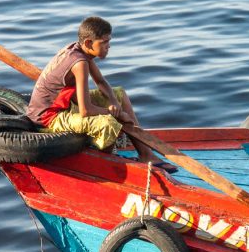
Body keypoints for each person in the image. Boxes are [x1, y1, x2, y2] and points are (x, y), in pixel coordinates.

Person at [26, 16, 178, 173]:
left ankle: (146, 154)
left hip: (65, 105)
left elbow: (101, 82)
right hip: (48, 118)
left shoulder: (81, 51)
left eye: (109, 41)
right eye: (104, 42)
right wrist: (117, 114)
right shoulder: (79, 63)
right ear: (88, 43)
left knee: (119, 93)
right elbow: (86, 111)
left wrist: (114, 103)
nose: (108, 46)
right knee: (108, 123)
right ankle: (105, 163)